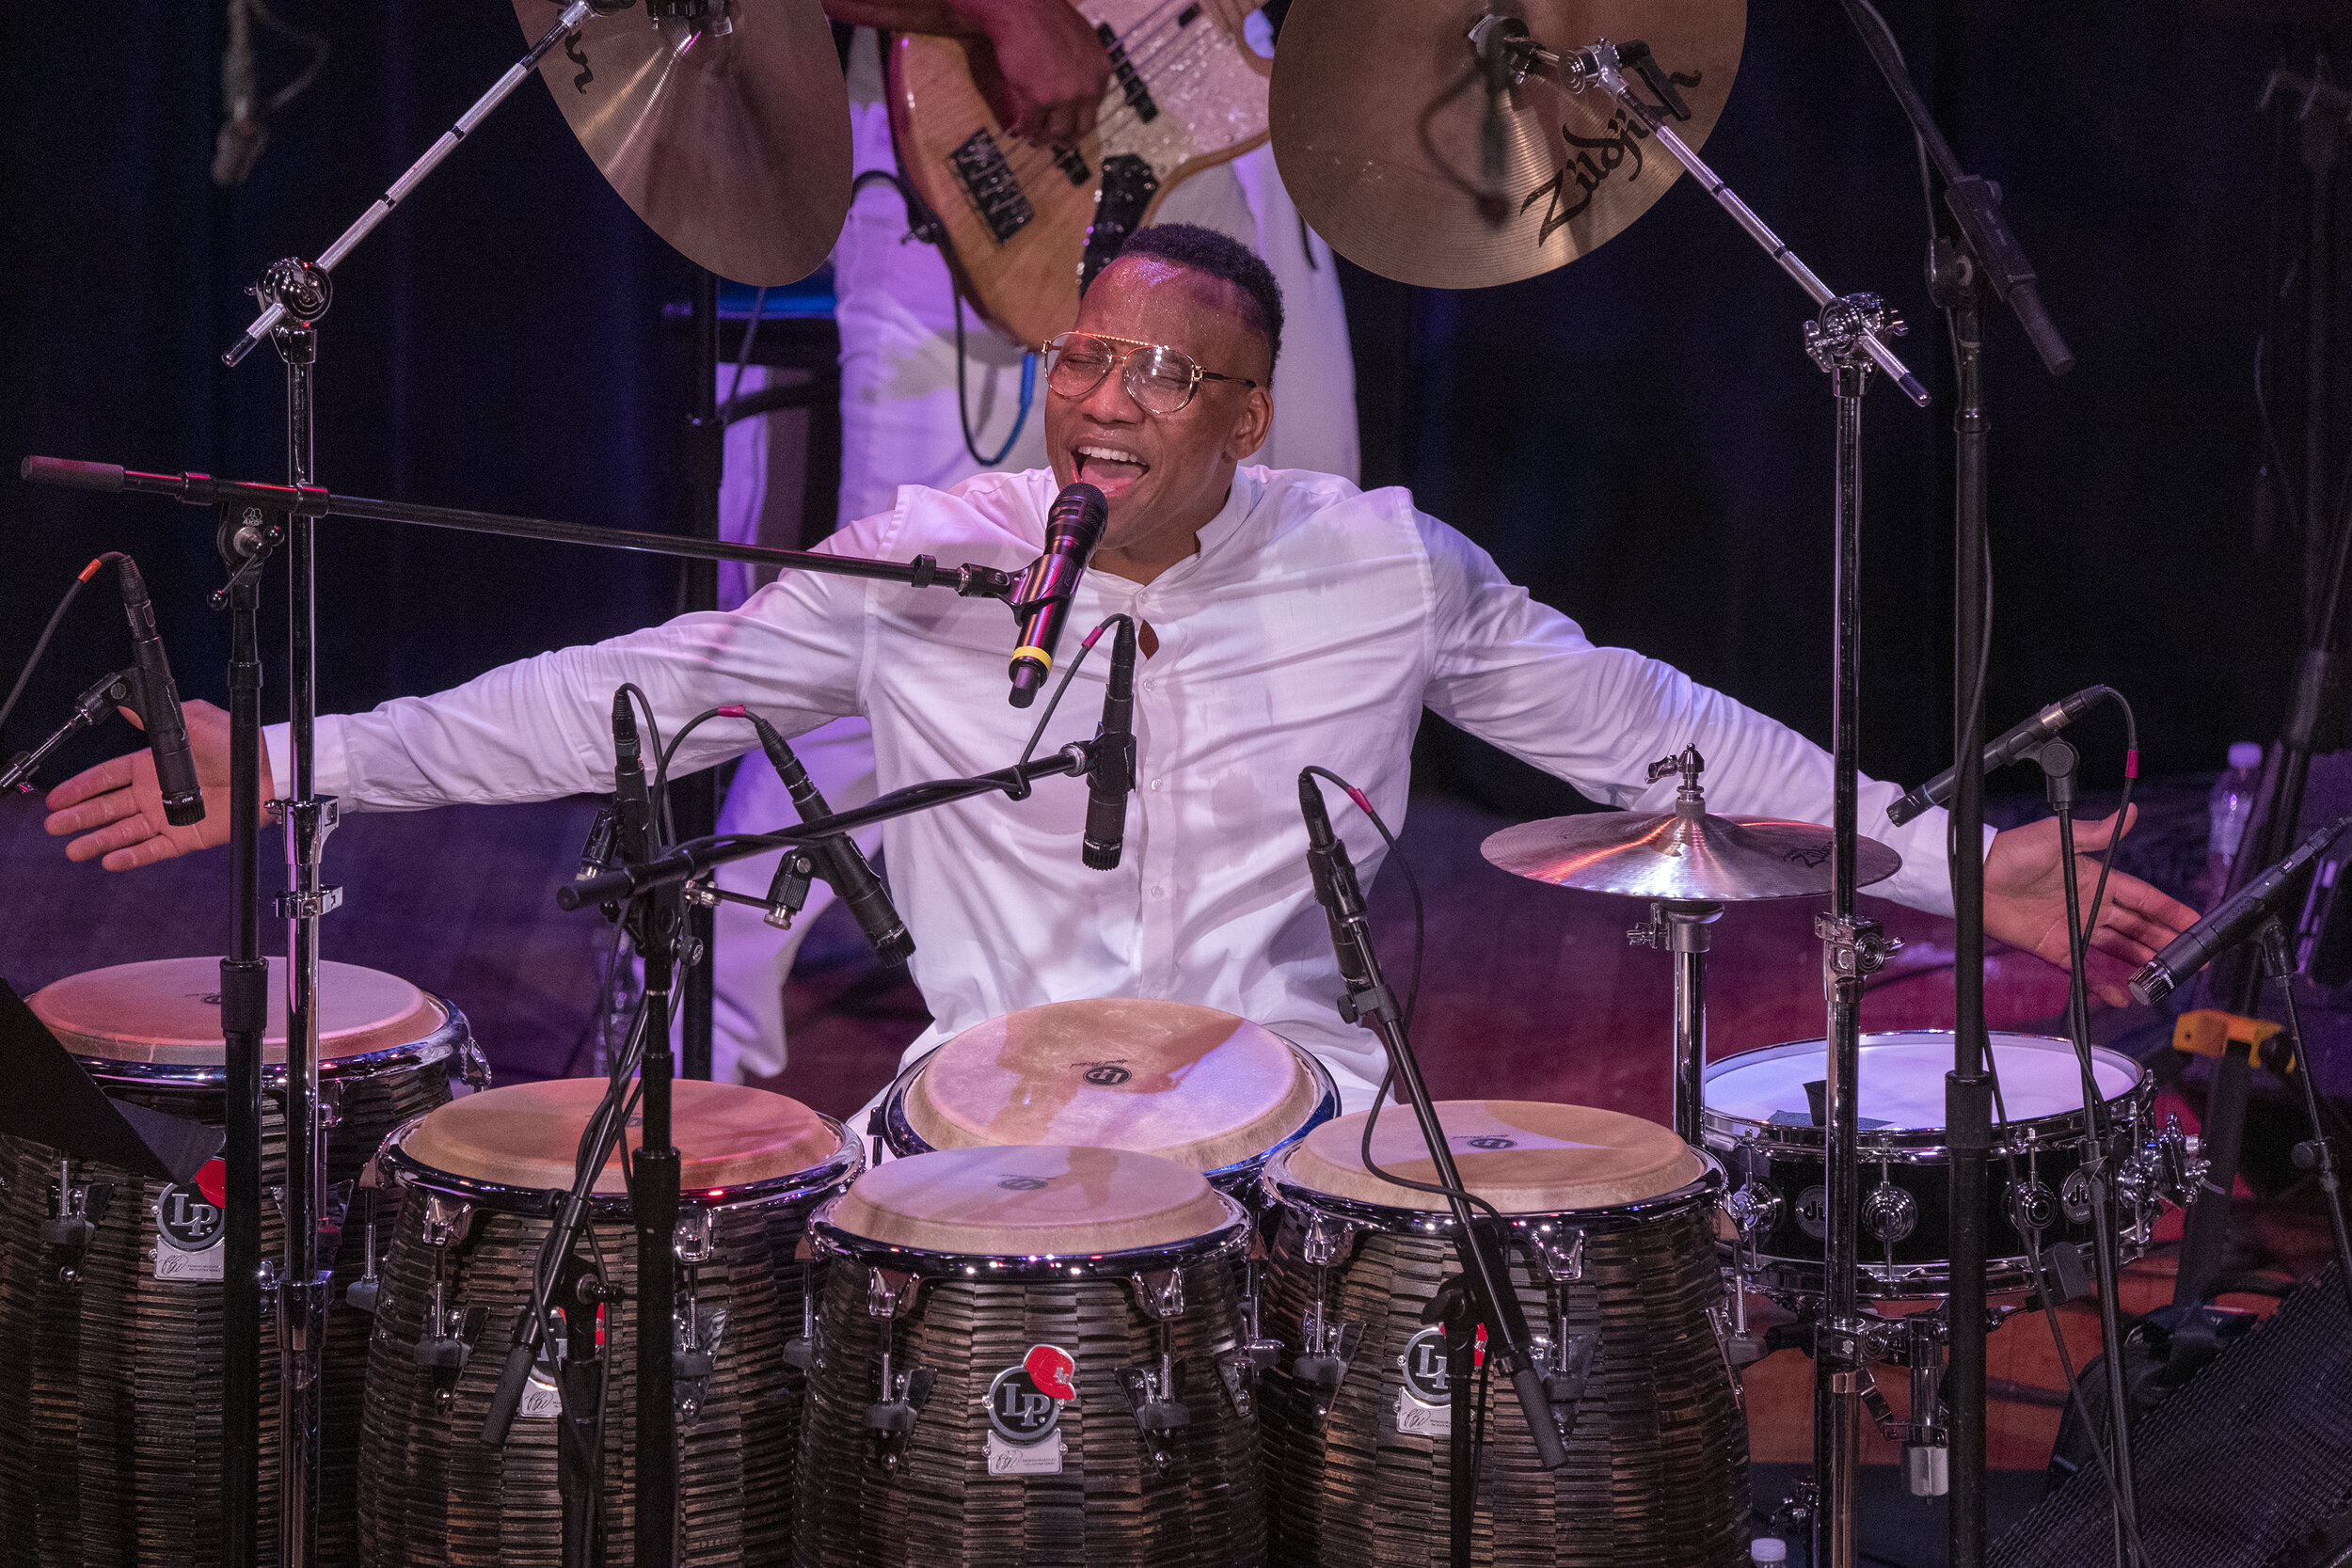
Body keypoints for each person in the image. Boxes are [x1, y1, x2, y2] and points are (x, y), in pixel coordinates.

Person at [45, 224, 2197, 1117]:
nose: (1107, 398)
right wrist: (288, 758)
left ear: (1251, 417)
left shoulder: (1378, 566)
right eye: (1086, 354)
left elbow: (1652, 727)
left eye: (1169, 375)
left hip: (1304, 1132)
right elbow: (629, 697)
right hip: (970, 1130)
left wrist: (1949, 861)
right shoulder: (922, 562)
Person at [705, 0, 1358, 1081]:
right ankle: (700, 1028)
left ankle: (1204, 1023)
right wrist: (1006, 12)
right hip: (984, 156)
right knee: (910, 627)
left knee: (1263, 591)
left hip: (1224, 138)